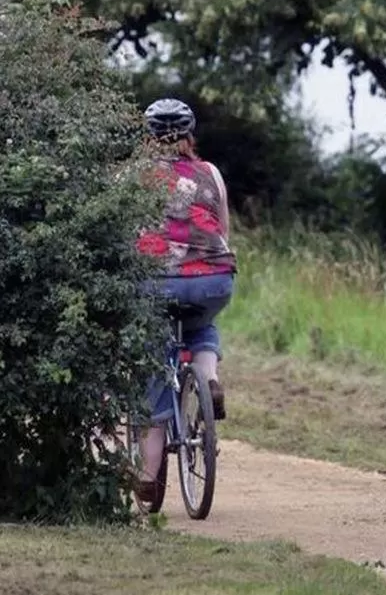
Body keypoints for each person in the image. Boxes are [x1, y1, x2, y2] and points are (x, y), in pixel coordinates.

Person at [133, 97, 237, 503]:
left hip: (156, 281)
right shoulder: (210, 172)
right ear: (190, 135)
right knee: (202, 325)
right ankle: (209, 378)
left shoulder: (132, 175)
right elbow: (223, 229)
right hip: (213, 277)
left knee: (153, 358)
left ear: (148, 138)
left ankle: (147, 473)